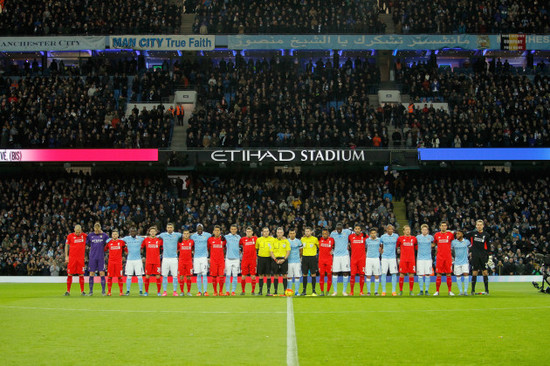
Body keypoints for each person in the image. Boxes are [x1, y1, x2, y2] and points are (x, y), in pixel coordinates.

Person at [465, 219, 490, 295]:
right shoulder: (472, 233)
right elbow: (464, 235)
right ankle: (472, 290)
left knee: (485, 272)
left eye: (480, 225)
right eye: (478, 225)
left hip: (483, 256)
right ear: (476, 226)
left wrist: (488, 256)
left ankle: (486, 290)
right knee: (474, 272)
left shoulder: (486, 235)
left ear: (483, 226)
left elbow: (488, 246)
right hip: (475, 255)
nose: (479, 226)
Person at [86, 222, 110, 296]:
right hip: (92, 257)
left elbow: (109, 241)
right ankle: (91, 291)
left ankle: (103, 291)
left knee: (102, 273)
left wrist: (104, 233)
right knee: (91, 273)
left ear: (100, 229)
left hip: (101, 257)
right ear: (94, 229)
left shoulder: (104, 235)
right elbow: (86, 243)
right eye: (95, 230)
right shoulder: (90, 235)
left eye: (98, 230)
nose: (96, 231)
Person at [158, 223, 182, 296]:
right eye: (168, 227)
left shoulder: (177, 235)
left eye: (171, 227)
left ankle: (174, 291)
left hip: (174, 258)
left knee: (175, 276)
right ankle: (165, 291)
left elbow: (187, 235)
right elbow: (152, 236)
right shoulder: (162, 235)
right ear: (166, 228)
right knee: (164, 275)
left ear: (173, 228)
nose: (169, 229)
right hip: (165, 258)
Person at [64, 225, 87, 296]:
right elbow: (66, 246)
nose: (78, 233)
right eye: (77, 232)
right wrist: (66, 256)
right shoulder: (70, 236)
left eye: (79, 232)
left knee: (81, 274)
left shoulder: (84, 236)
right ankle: (68, 291)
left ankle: (82, 291)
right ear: (74, 230)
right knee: (70, 274)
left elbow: (93, 237)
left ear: (81, 230)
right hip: (72, 258)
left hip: (80, 258)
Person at [433, 221, 455, 296]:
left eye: (445, 226)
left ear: (447, 227)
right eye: (442, 226)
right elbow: (434, 243)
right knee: (438, 274)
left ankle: (449, 291)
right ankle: (437, 291)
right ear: (440, 227)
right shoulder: (436, 235)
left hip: (448, 257)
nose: (443, 227)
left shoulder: (450, 235)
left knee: (448, 273)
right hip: (440, 257)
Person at [121, 227, 145, 296]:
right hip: (129, 260)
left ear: (136, 232)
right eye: (131, 232)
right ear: (129, 233)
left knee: (139, 276)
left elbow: (148, 237)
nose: (132, 233)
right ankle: (128, 291)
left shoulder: (140, 238)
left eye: (134, 231)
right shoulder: (126, 238)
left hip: (138, 260)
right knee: (129, 276)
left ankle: (140, 291)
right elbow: (118, 240)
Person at [330, 223, 352, 296]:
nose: (339, 230)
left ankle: (344, 291)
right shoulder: (333, 233)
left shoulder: (347, 231)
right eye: (337, 229)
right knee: (335, 273)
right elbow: (330, 241)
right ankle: (335, 291)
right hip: (336, 256)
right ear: (336, 228)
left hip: (345, 256)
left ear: (342, 228)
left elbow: (354, 233)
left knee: (345, 272)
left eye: (340, 229)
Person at [142, 226, 163, 296]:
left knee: (158, 277)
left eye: (154, 231)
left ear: (156, 232)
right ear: (149, 232)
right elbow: (142, 248)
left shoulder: (159, 240)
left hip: (157, 261)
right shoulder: (146, 240)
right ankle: (146, 292)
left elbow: (162, 248)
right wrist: (143, 256)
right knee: (147, 276)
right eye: (151, 231)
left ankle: (159, 292)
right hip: (148, 261)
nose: (153, 232)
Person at [191, 224, 211, 296]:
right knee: (198, 275)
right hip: (196, 257)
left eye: (200, 228)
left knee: (204, 274)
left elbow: (213, 237)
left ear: (202, 229)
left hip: (204, 257)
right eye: (198, 228)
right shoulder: (193, 236)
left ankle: (205, 291)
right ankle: (199, 291)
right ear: (196, 229)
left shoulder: (207, 235)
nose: (199, 229)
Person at [396, 225, 417, 296]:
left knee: (411, 274)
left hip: (411, 259)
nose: (408, 231)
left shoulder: (414, 238)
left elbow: (416, 247)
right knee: (402, 274)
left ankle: (411, 291)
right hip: (403, 259)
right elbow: (397, 247)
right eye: (406, 230)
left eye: (409, 229)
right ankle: (401, 291)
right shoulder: (400, 238)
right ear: (403, 231)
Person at [104, 229, 125, 296]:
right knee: (110, 277)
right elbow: (104, 249)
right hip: (111, 262)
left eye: (116, 234)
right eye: (113, 234)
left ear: (118, 235)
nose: (114, 235)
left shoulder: (121, 242)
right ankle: (109, 292)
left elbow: (126, 250)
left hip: (118, 262)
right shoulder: (109, 242)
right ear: (111, 235)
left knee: (120, 277)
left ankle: (121, 292)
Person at [380, 224, 399, 296]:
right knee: (383, 273)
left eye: (391, 229)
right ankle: (383, 291)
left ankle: (393, 291)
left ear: (393, 230)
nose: (390, 230)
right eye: (389, 229)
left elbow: (399, 243)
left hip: (392, 257)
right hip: (384, 257)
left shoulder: (396, 236)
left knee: (394, 273)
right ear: (386, 230)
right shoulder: (383, 237)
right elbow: (380, 244)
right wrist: (381, 249)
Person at [270, 227, 290, 295]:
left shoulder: (286, 241)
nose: (279, 234)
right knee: (275, 275)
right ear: (276, 233)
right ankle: (275, 291)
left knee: (284, 275)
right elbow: (271, 252)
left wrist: (284, 259)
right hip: (275, 259)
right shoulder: (273, 241)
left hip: (283, 259)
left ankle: (285, 291)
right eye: (278, 232)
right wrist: (275, 259)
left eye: (281, 232)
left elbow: (288, 251)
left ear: (283, 233)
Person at [208, 225, 227, 296]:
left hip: (221, 260)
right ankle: (215, 292)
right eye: (215, 230)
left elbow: (226, 248)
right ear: (213, 231)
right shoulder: (210, 240)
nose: (217, 232)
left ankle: (221, 291)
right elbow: (207, 248)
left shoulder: (223, 240)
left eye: (218, 231)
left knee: (221, 276)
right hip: (213, 261)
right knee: (214, 276)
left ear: (220, 232)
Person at [416, 224, 434, 296]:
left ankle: (426, 290)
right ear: (421, 230)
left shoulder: (431, 237)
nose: (424, 231)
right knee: (420, 274)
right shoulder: (418, 237)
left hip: (428, 259)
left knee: (427, 274)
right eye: (423, 229)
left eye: (426, 230)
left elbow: (434, 244)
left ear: (428, 230)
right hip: (420, 258)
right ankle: (421, 290)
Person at [256, 227, 275, 296]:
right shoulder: (259, 239)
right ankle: (260, 291)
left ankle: (268, 291)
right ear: (262, 232)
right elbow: (256, 248)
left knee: (268, 275)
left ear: (269, 232)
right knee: (260, 275)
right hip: (261, 258)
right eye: (264, 231)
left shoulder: (272, 239)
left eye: (267, 231)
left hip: (269, 259)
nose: (266, 232)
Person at [301, 226, 319, 296]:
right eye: (306, 231)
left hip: (312, 258)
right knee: (304, 274)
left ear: (311, 232)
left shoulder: (315, 239)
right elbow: (300, 248)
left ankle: (313, 291)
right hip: (305, 257)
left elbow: (319, 247)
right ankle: (304, 290)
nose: (307, 232)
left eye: (308, 231)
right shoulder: (302, 239)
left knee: (313, 274)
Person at [239, 227, 257, 295]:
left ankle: (253, 291)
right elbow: (238, 244)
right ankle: (243, 291)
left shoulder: (255, 239)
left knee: (253, 276)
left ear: (252, 232)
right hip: (245, 260)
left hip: (253, 260)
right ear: (245, 232)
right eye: (247, 231)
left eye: (250, 231)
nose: (249, 233)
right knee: (243, 276)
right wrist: (239, 250)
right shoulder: (243, 239)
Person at [348, 224, 366, 296]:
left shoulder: (364, 236)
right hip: (353, 259)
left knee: (362, 275)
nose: (357, 230)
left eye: (359, 229)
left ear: (361, 229)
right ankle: (351, 292)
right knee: (352, 275)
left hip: (362, 259)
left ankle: (361, 291)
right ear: (354, 230)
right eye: (356, 229)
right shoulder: (351, 236)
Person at [452, 229, 470, 296]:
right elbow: (450, 250)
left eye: (458, 234)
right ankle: (460, 291)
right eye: (456, 234)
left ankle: (465, 291)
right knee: (458, 276)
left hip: (465, 261)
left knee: (466, 275)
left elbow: (471, 248)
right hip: (457, 262)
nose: (457, 235)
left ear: (462, 234)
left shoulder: (467, 242)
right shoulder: (453, 242)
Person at [224, 224, 241, 296]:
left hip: (236, 259)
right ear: (230, 230)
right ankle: (227, 291)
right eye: (232, 229)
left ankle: (233, 291)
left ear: (236, 230)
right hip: (228, 259)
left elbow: (241, 247)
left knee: (235, 275)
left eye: (235, 229)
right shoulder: (226, 237)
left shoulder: (239, 237)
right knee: (227, 275)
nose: (233, 230)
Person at [365, 228, 383, 296]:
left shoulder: (379, 240)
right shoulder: (367, 240)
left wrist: (381, 249)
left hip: (376, 259)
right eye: (372, 233)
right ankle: (368, 292)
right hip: (368, 259)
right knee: (368, 275)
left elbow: (381, 247)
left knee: (376, 275)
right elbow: (365, 248)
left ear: (376, 234)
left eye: (374, 233)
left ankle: (376, 291)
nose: (373, 234)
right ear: (370, 234)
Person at [318, 228, 334, 296]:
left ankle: (327, 292)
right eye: (323, 234)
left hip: (329, 260)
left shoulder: (332, 240)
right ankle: (322, 292)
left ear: (328, 234)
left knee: (329, 276)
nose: (324, 235)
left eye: (326, 234)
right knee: (321, 275)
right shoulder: (319, 240)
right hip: (321, 260)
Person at [178, 229, 194, 296]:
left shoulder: (192, 242)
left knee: (188, 277)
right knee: (181, 276)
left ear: (189, 234)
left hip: (189, 261)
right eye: (185, 233)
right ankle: (182, 291)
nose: (186, 235)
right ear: (183, 234)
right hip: (181, 261)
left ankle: (188, 291)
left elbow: (194, 249)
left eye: (187, 233)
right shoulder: (180, 242)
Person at [287, 228, 303, 296]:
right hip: (289, 261)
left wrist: (299, 257)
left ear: (295, 234)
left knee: (297, 276)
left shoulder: (298, 241)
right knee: (289, 276)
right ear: (289, 234)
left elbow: (301, 251)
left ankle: (296, 291)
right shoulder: (286, 241)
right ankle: (289, 290)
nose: (292, 234)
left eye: (293, 233)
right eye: (291, 233)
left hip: (297, 261)